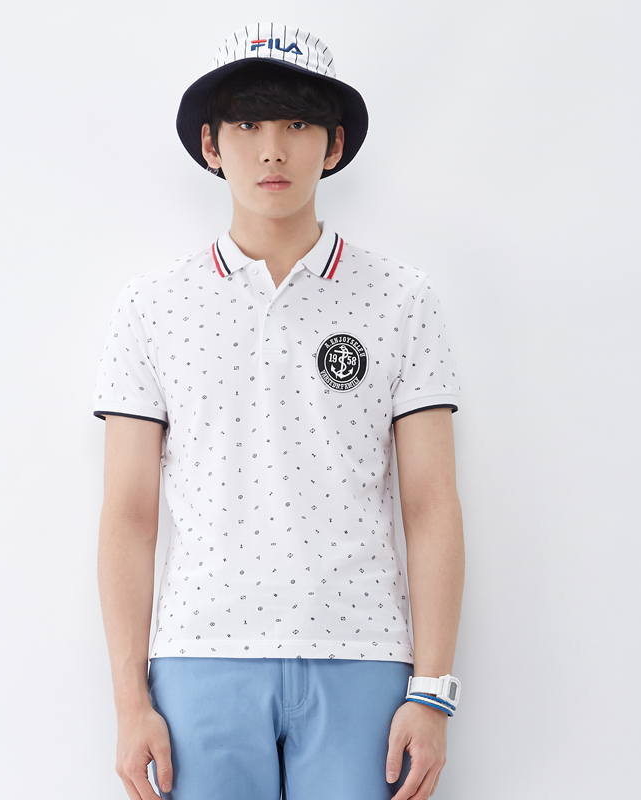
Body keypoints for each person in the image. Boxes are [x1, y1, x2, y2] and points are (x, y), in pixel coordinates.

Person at [92, 22, 465, 800]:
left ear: (333, 145)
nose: (272, 150)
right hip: (200, 656)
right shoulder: (150, 308)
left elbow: (430, 504)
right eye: (247, 124)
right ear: (210, 143)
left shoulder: (402, 300)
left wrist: (432, 692)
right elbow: (128, 514)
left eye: (297, 124)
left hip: (363, 654)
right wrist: (130, 702)